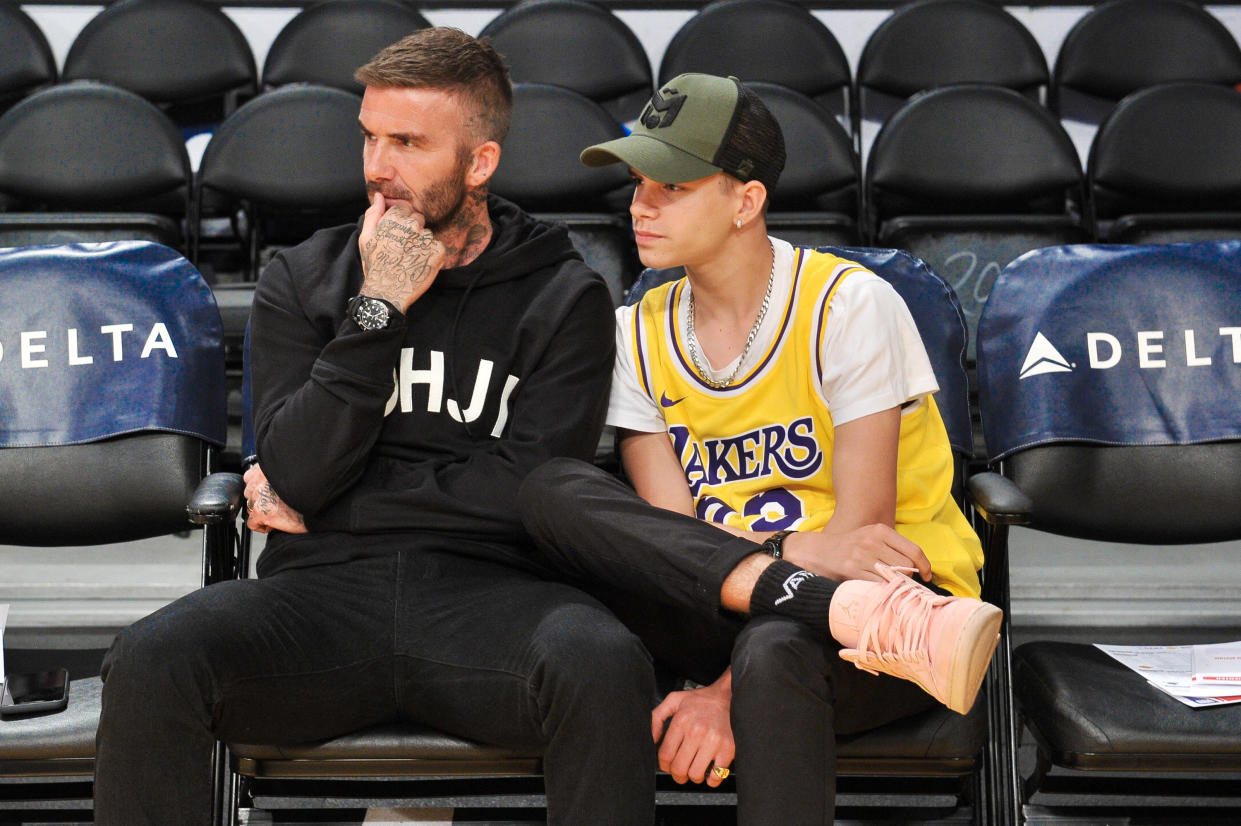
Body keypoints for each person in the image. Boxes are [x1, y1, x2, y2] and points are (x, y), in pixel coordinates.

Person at [94, 29, 659, 826]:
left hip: (495, 598)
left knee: (601, 662)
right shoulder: (303, 277)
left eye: (408, 142)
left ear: (480, 163)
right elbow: (294, 465)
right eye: (369, 137)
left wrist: (333, 498)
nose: (377, 167)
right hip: (319, 597)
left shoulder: (563, 296)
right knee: (153, 659)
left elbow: (534, 490)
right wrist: (377, 307)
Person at [519, 72, 1002, 825]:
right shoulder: (632, 333)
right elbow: (671, 545)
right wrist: (790, 552)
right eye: (637, 183)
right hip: (733, 594)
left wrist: (719, 700)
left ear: (745, 201)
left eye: (671, 185)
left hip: (892, 612)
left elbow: (865, 543)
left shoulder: (849, 306)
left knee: (773, 651)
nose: (640, 206)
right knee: (548, 493)